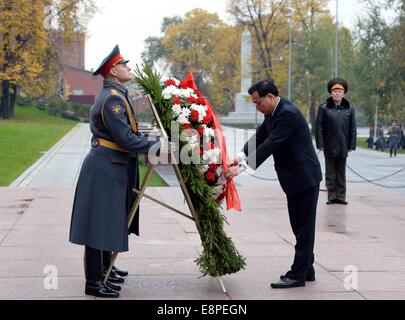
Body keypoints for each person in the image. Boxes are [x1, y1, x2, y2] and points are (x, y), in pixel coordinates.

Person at [69, 45, 161, 298]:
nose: (129, 68)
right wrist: (157, 145)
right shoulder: (112, 100)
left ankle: (104, 270)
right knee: (97, 223)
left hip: (112, 164)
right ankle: (94, 281)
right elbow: (126, 139)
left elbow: (128, 133)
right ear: (113, 70)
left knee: (108, 220)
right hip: (105, 165)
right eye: (125, 65)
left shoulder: (116, 95)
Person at [225, 80, 322, 289]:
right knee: (299, 226)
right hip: (294, 179)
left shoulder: (288, 114)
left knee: (304, 228)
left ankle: (297, 274)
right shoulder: (272, 113)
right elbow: (260, 136)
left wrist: (241, 168)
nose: (257, 107)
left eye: (258, 102)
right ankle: (308, 268)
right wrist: (239, 155)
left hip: (304, 178)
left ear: (270, 97)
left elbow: (272, 143)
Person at [315, 78, 356, 205]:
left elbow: (352, 128)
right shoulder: (324, 108)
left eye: (340, 91)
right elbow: (319, 127)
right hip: (329, 145)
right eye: (335, 91)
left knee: (341, 173)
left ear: (344, 93)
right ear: (331, 93)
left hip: (343, 145)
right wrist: (320, 144)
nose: (337, 93)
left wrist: (351, 145)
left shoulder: (350, 108)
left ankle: (341, 196)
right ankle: (331, 196)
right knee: (330, 173)